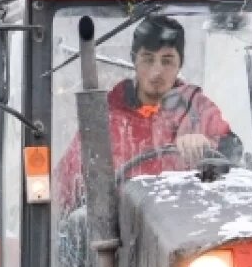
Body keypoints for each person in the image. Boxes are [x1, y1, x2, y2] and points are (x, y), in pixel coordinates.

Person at [53, 15, 242, 209]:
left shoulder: (197, 110)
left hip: (188, 226)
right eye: (148, 59)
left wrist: (205, 145)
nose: (157, 71)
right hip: (120, 232)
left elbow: (232, 152)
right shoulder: (105, 120)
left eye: (167, 61)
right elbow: (63, 189)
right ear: (134, 60)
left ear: (180, 64)